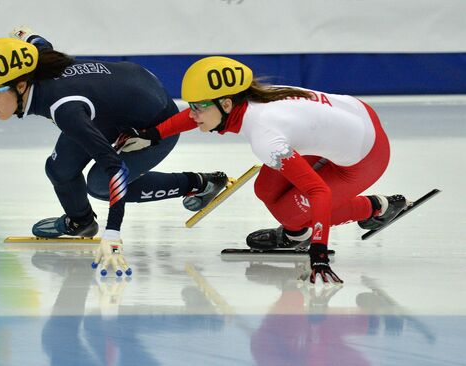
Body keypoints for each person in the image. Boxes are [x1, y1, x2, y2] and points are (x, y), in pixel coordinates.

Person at [118, 56, 409, 284]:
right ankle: (297, 235)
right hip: (352, 118)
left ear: (227, 103)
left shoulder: (265, 136)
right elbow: (201, 114)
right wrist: (153, 135)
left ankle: (376, 208)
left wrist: (319, 252)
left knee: (290, 213)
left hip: (366, 157)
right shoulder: (251, 99)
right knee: (265, 188)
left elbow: (317, 191)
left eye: (198, 107)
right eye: (192, 107)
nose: (192, 115)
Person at [0, 29, 228, 275]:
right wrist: (24, 35)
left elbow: (115, 168)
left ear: (21, 86)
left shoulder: (65, 109)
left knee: (101, 185)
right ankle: (80, 221)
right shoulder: (38, 63)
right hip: (118, 102)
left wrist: (112, 233)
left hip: (155, 124)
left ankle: (200, 183)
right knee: (59, 168)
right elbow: (37, 43)